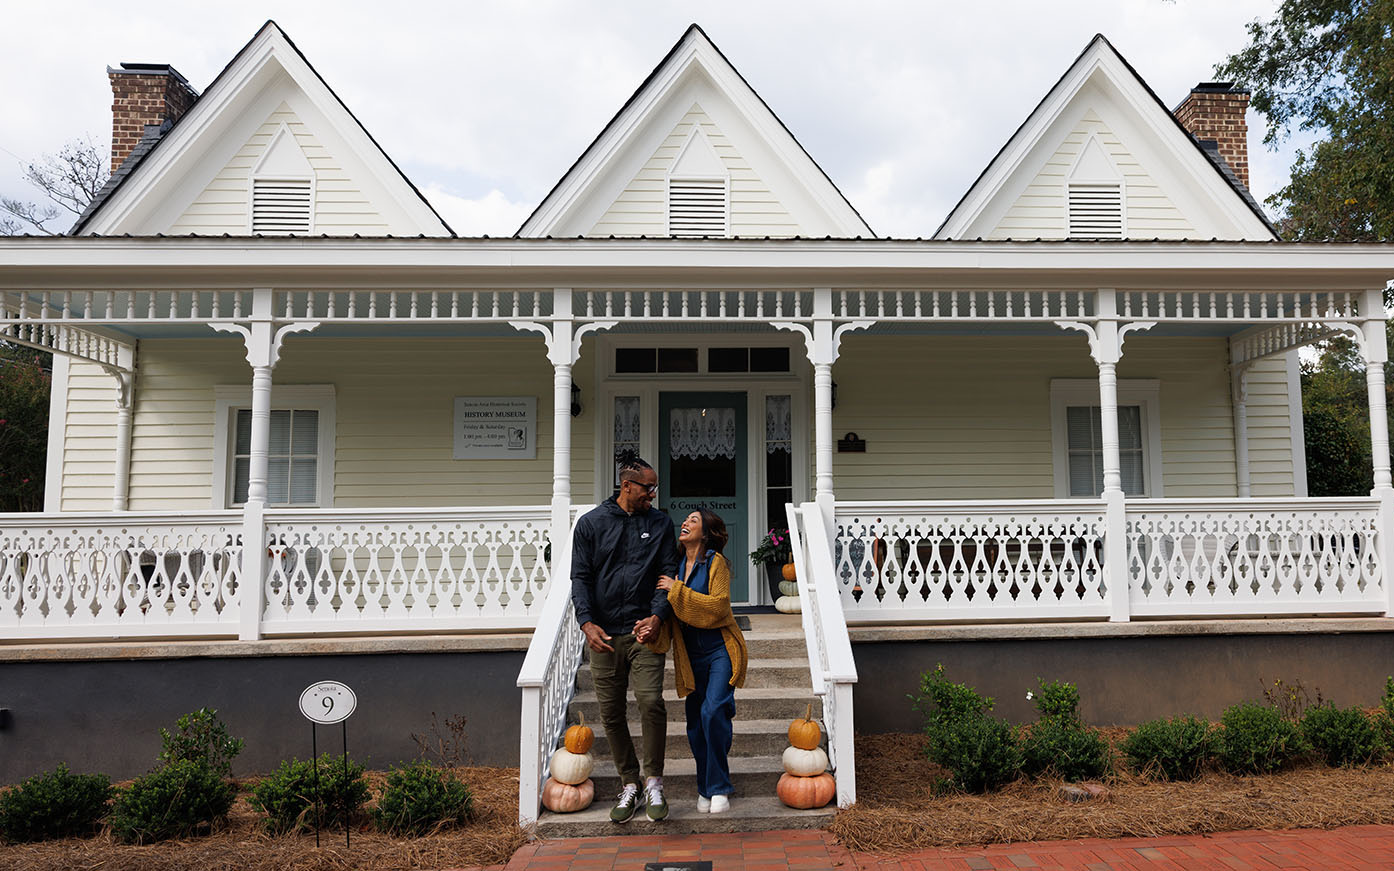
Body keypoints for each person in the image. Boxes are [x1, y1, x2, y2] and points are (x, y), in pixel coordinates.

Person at [570, 455, 677, 823]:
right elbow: (580, 578)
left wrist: (658, 616)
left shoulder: (660, 522)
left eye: (654, 487)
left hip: (643, 632)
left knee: (651, 702)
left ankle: (654, 782)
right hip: (604, 636)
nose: (653, 493)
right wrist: (586, 622)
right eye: (648, 487)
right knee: (611, 713)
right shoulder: (591, 524)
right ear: (626, 485)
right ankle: (629, 784)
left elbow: (667, 573)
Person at [648, 507, 748, 814]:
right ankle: (705, 786)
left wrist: (676, 589)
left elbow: (718, 607)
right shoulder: (676, 566)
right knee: (695, 723)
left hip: (720, 648)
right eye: (685, 519)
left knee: (713, 711)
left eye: (694, 520)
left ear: (705, 533)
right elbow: (669, 611)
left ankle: (719, 786)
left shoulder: (715, 563)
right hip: (690, 654)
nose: (685, 523)